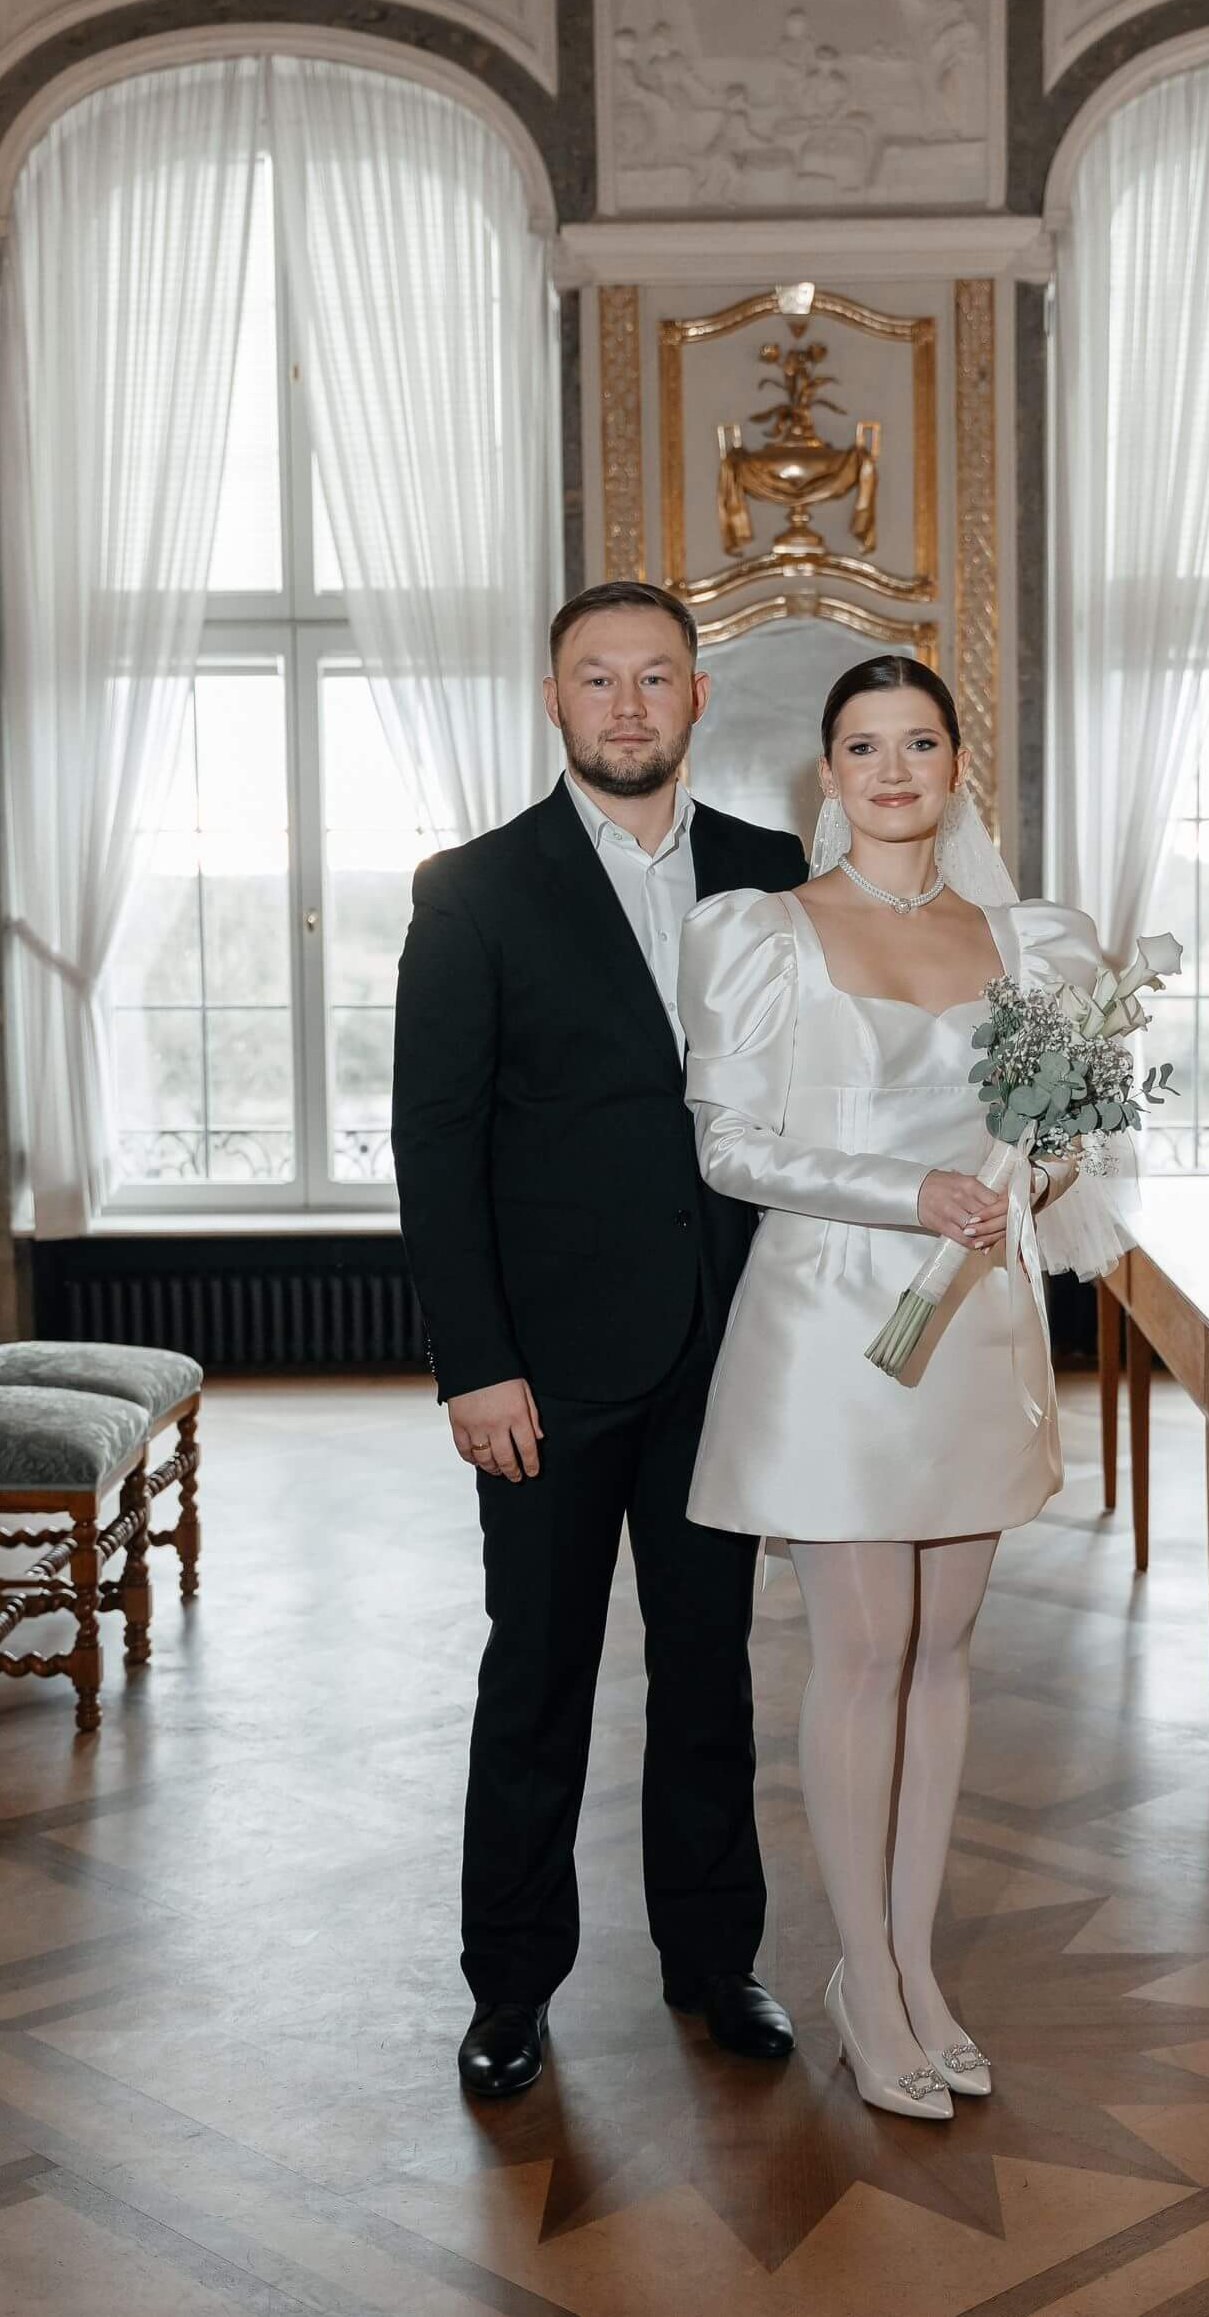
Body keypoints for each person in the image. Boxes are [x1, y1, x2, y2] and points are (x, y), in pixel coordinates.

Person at [676, 656, 1117, 2120]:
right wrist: (905, 1188)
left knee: (945, 1654)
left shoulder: (1031, 943)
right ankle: (859, 1980)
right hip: (833, 1334)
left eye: (919, 742)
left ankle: (918, 1969)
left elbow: (1056, 1149)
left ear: (954, 767)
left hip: (977, 1330)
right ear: (827, 775)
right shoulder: (762, 934)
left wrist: (1031, 1167)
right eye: (863, 744)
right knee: (863, 1654)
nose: (893, 768)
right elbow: (729, 1146)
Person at [391, 580, 807, 2099]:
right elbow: (433, 1146)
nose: (627, 705)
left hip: (730, 1348)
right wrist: (474, 1364)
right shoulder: (476, 889)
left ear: (697, 700)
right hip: (547, 1375)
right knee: (541, 1672)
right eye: (596, 679)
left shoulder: (773, 871)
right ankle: (510, 1984)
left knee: (711, 1673)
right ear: (553, 701)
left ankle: (717, 1960)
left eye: (655, 678)